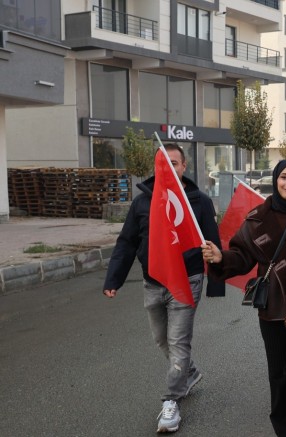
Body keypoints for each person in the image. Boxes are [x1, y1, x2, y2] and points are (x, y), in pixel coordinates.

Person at [103, 143, 224, 433]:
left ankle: (171, 402)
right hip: (153, 281)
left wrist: (216, 282)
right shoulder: (142, 202)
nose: (170, 167)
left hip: (187, 280)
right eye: (164, 162)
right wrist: (113, 279)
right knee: (162, 340)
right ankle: (190, 373)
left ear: (184, 166)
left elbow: (214, 245)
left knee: (178, 341)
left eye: (175, 162)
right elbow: (127, 242)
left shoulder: (200, 201)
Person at [201, 160, 286, 437]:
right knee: (278, 375)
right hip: (271, 308)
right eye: (284, 177)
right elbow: (243, 255)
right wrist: (222, 257)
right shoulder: (257, 218)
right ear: (276, 180)